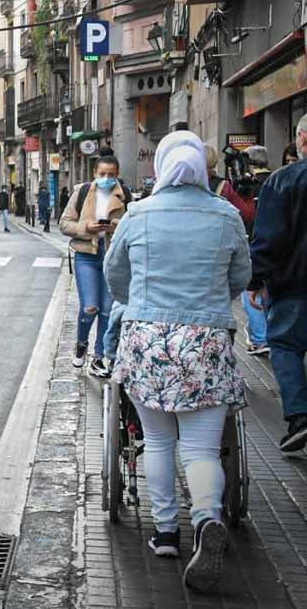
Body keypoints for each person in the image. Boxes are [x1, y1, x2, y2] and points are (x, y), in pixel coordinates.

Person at [105, 130, 250, 592]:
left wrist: (141, 304)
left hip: (148, 344)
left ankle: (166, 533)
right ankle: (207, 518)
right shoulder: (226, 215)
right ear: (203, 170)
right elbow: (241, 275)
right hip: (206, 343)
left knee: (159, 441)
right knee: (202, 449)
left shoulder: (138, 213)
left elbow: (115, 273)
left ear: (163, 166)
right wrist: (209, 305)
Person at [249, 113, 307, 453]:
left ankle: (300, 416)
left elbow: (269, 239)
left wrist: (255, 280)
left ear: (301, 140)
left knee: (285, 345)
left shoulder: (283, 181)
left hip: (293, 286)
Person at [59, 150, 131, 378]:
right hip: (86, 255)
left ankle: (99, 357)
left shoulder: (125, 195)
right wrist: (85, 228)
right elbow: (64, 224)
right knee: (90, 306)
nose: (107, 178)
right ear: (95, 173)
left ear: (118, 175)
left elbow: (135, 226)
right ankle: (81, 344)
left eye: (111, 174)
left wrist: (116, 226)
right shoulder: (82, 192)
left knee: (108, 310)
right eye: (102, 173)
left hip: (112, 257)